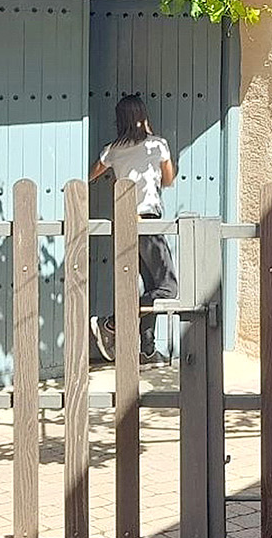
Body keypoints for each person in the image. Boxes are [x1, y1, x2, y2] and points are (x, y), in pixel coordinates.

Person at [89, 93, 180, 363]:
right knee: (167, 289)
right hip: (148, 221)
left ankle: (146, 349)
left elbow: (91, 175)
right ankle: (111, 323)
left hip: (124, 223)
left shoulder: (111, 150)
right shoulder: (157, 145)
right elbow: (168, 179)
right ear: (143, 116)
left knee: (149, 288)